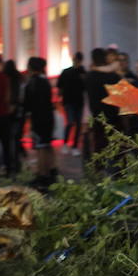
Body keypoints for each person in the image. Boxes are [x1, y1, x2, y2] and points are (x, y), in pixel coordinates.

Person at [23, 57, 56, 187]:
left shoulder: (31, 83)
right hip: (48, 117)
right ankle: (50, 171)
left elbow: (27, 104)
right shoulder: (45, 81)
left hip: (38, 118)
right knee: (47, 145)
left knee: (41, 147)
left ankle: (43, 176)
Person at [84, 48, 123, 156]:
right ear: (105, 58)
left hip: (97, 115)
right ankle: (116, 170)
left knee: (99, 144)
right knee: (116, 144)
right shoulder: (113, 76)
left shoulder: (89, 76)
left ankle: (99, 167)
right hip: (113, 114)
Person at [56, 52, 86, 152]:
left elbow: (59, 87)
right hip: (70, 101)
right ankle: (68, 144)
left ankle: (73, 145)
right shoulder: (68, 72)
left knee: (75, 123)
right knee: (71, 122)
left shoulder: (82, 72)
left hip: (75, 101)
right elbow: (60, 87)